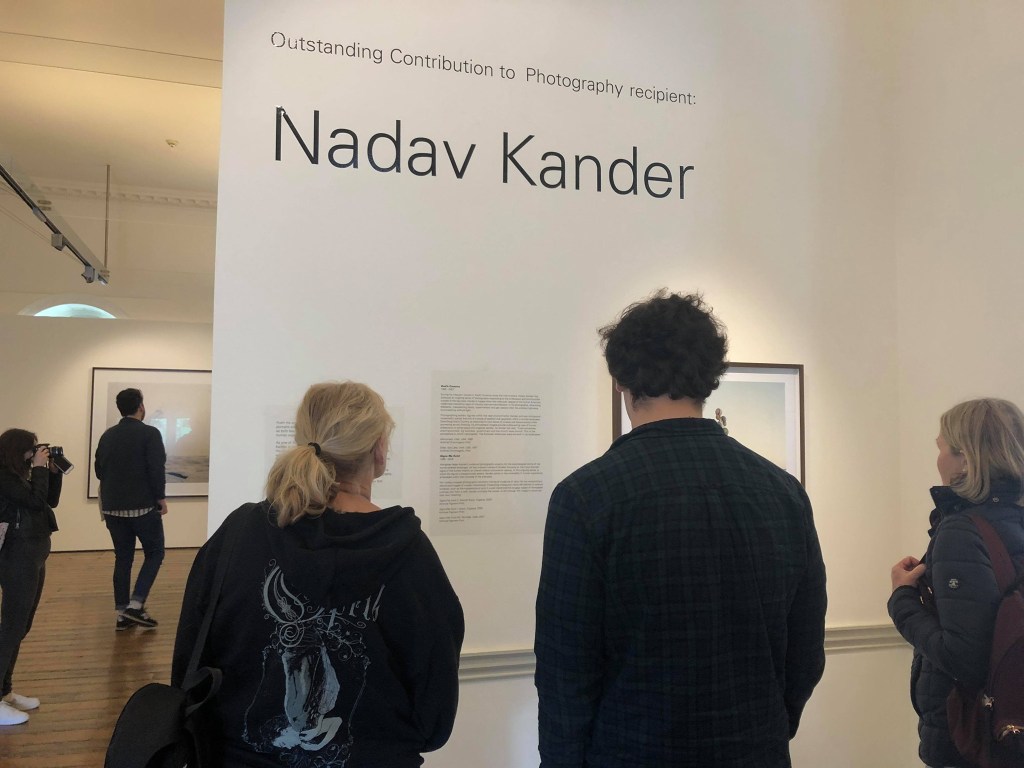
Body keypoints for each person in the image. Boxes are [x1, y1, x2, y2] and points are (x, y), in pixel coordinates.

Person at [535, 290, 827, 767]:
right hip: (756, 750)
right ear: (709, 377)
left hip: (630, 752)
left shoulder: (586, 497)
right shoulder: (783, 493)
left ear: (619, 379)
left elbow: (565, 669)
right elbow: (806, 652)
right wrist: (769, 726)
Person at [172, 381, 464, 767]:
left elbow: (190, 658)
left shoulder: (239, 533)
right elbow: (434, 696)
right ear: (379, 449)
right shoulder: (408, 552)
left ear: (303, 442)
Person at [889, 398, 1024, 768]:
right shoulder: (1014, 521)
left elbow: (962, 658)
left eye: (942, 447)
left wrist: (902, 597)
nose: (938, 459)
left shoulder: (962, 531)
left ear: (966, 458)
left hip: (971, 736)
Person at [0, 429, 61, 726]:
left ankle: (5, 690)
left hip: (33, 556)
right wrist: (38, 469)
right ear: (16, 450)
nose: (35, 453)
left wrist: (52, 472)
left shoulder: (20, 476)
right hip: (17, 557)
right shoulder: (4, 477)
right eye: (31, 449)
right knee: (11, 627)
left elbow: (50, 500)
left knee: (22, 625)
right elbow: (35, 503)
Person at [94, 387, 168, 630]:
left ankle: (121, 614)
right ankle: (135, 605)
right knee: (155, 553)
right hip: (142, 507)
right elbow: (156, 468)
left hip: (112, 507)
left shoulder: (107, 435)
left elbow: (99, 470)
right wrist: (160, 498)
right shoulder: (150, 433)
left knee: (123, 558)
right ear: (141, 407)